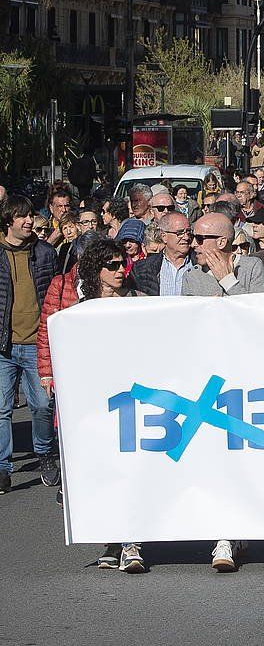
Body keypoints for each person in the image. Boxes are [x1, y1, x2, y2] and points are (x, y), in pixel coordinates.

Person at [37, 238, 144, 570]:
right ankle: (112, 540)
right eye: (112, 265)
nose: (121, 271)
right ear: (96, 270)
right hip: (88, 399)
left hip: (127, 399)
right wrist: (48, 373)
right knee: (100, 471)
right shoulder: (75, 301)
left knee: (129, 469)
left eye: (123, 264)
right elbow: (49, 332)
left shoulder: (138, 300)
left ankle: (132, 543)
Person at [0, 195, 59, 494]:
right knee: (1, 409)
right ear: (8, 220)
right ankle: (3, 467)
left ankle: (45, 453)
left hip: (37, 343)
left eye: (30, 215)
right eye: (22, 216)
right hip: (4, 346)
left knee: (42, 405)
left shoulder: (45, 252)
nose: (28, 221)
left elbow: (56, 292)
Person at [182, 214, 264, 296]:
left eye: (199, 239)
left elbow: (258, 306)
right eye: (192, 237)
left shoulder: (251, 267)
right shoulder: (191, 275)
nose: (193, 244)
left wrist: (228, 281)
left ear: (222, 242)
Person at [129, 212, 194, 296]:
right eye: (180, 233)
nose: (186, 237)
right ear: (164, 236)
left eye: (188, 232)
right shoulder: (142, 268)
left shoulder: (200, 264)